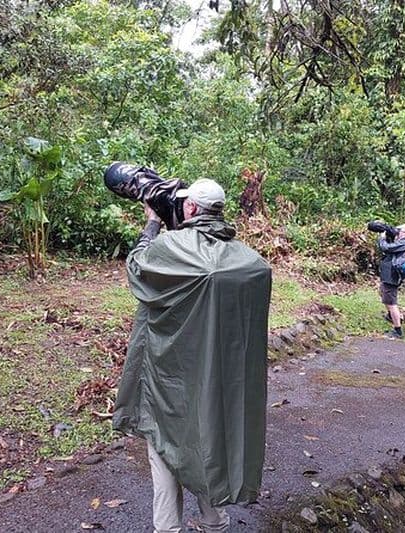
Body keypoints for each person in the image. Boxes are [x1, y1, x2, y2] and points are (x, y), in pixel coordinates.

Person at [112, 178, 272, 533]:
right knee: (206, 443)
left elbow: (138, 268)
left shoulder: (171, 247)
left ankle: (168, 528)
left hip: (171, 372)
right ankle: (215, 522)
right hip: (217, 376)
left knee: (163, 444)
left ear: (190, 208)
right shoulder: (251, 263)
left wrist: (152, 222)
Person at [376, 223, 405, 339]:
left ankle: (397, 330)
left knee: (392, 303)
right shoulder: (402, 242)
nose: (397, 232)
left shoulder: (404, 242)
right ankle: (390, 316)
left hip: (392, 276)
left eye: (399, 230)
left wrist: (382, 238)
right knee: (384, 293)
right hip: (389, 275)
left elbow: (386, 247)